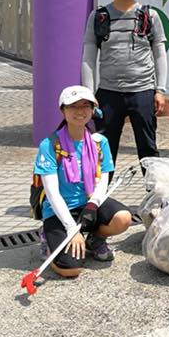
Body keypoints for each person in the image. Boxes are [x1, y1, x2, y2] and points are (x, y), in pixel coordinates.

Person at [34, 86, 132, 276]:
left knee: (123, 218)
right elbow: (52, 194)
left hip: (88, 204)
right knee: (72, 269)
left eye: (85, 106)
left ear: (92, 110)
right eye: (73, 106)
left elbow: (104, 177)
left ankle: (95, 240)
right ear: (62, 110)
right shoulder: (49, 145)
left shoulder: (99, 141)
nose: (80, 111)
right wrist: (71, 229)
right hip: (59, 211)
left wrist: (93, 203)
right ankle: (49, 238)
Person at [81, 0, 167, 168]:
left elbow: (160, 54)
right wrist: (89, 94)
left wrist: (160, 90)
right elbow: (88, 57)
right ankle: (98, 197)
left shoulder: (150, 15)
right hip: (108, 94)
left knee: (148, 148)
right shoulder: (98, 17)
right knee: (104, 149)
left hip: (143, 91)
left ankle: (156, 194)